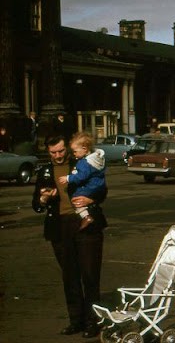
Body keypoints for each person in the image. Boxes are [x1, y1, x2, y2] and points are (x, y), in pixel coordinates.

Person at [31, 135, 108, 339]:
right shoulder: (45, 170)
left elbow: (102, 187)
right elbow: (36, 204)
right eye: (53, 153)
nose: (57, 156)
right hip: (60, 227)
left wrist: (91, 197)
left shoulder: (82, 160)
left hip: (86, 225)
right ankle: (76, 320)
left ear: (67, 148)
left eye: (61, 151)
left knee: (90, 275)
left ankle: (93, 321)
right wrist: (44, 198)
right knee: (70, 276)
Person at [57, 132, 107, 230]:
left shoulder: (84, 163)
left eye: (75, 151)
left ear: (84, 149)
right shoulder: (97, 158)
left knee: (76, 198)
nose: (74, 154)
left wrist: (68, 178)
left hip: (89, 187)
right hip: (98, 185)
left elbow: (81, 176)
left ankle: (86, 216)